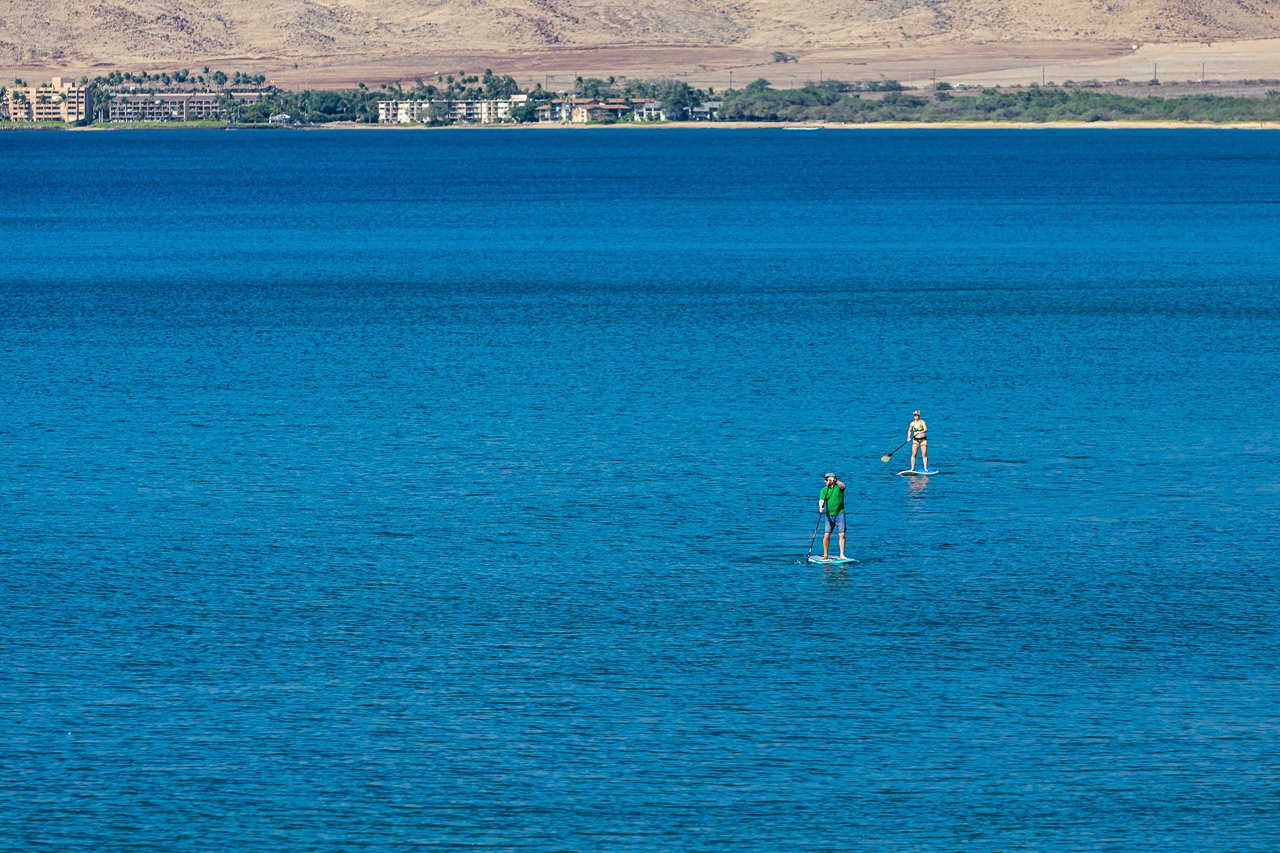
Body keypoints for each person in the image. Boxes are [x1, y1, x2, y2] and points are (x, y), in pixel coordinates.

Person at [818, 473, 847, 560]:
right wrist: (821, 507)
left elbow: (843, 486)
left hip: (840, 514)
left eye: (827, 480)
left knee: (842, 534)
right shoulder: (824, 490)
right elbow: (821, 500)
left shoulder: (838, 488)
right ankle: (825, 554)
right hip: (829, 515)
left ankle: (842, 554)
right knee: (827, 535)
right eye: (825, 480)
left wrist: (835, 480)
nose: (825, 481)